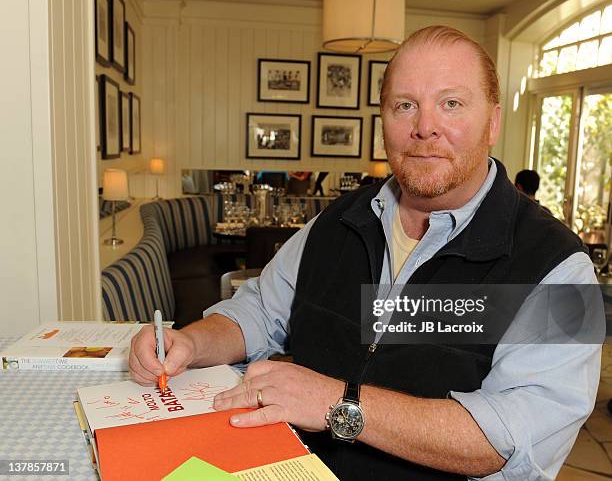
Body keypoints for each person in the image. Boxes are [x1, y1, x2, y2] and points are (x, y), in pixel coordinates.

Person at [130, 26, 602, 480]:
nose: (425, 128)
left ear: (493, 121)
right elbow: (258, 309)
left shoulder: (562, 265)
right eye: (405, 105)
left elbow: (514, 438)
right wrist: (192, 343)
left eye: (451, 103)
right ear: (383, 119)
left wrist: (341, 404)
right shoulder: (338, 220)